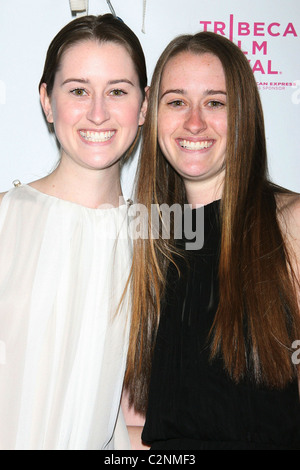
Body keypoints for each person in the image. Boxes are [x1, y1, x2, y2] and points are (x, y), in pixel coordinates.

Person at [124, 31, 300, 450]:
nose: (195, 122)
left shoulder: (289, 224)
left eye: (215, 103)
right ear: (150, 112)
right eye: (177, 101)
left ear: (243, 115)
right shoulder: (149, 242)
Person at [0, 14, 147, 450]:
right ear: (47, 101)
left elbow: (141, 421)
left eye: (117, 91)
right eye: (78, 90)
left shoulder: (159, 243)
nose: (97, 112)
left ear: (143, 106)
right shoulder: (5, 221)